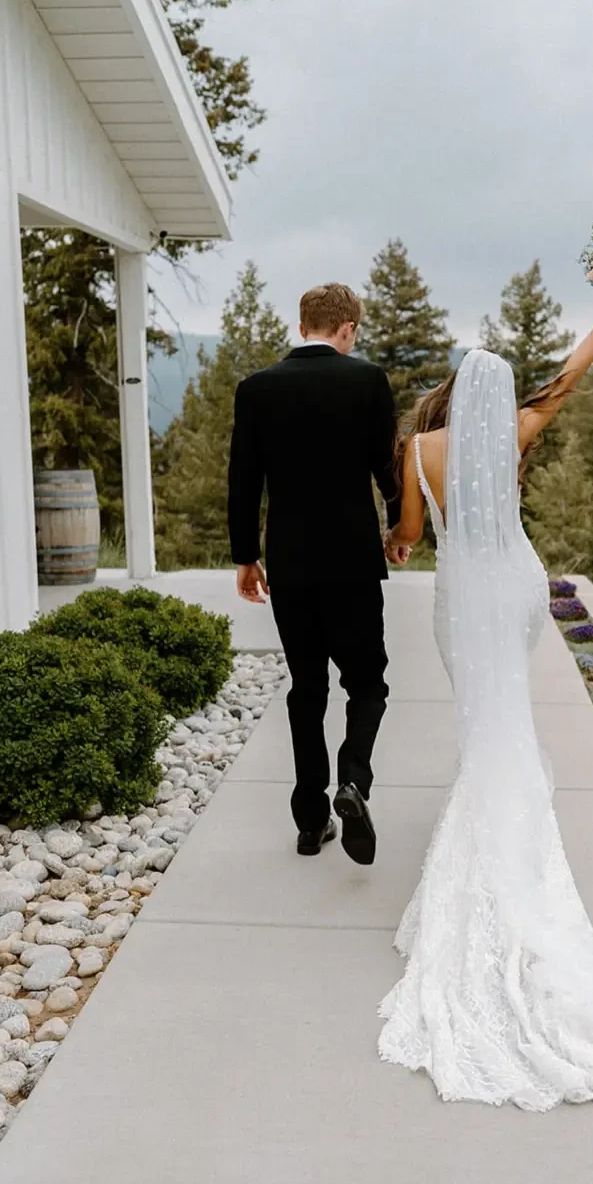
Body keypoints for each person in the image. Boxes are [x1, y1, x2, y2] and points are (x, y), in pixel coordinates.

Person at [377, 293, 593, 1110]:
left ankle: (486, 849)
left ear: (457, 390)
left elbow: (412, 538)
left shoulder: (417, 448)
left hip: (463, 594)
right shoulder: (516, 436)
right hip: (518, 590)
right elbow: (562, 384)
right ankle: (513, 844)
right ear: (499, 401)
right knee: (509, 724)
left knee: (484, 730)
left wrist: (401, 533)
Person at [228, 283, 400, 865]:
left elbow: (243, 481)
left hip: (292, 565)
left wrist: (245, 556)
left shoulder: (256, 390)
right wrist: (400, 529)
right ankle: (353, 781)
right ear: (348, 327)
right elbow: (386, 465)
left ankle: (310, 820)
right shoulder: (367, 381)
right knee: (368, 683)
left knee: (307, 690)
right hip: (352, 562)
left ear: (304, 327)